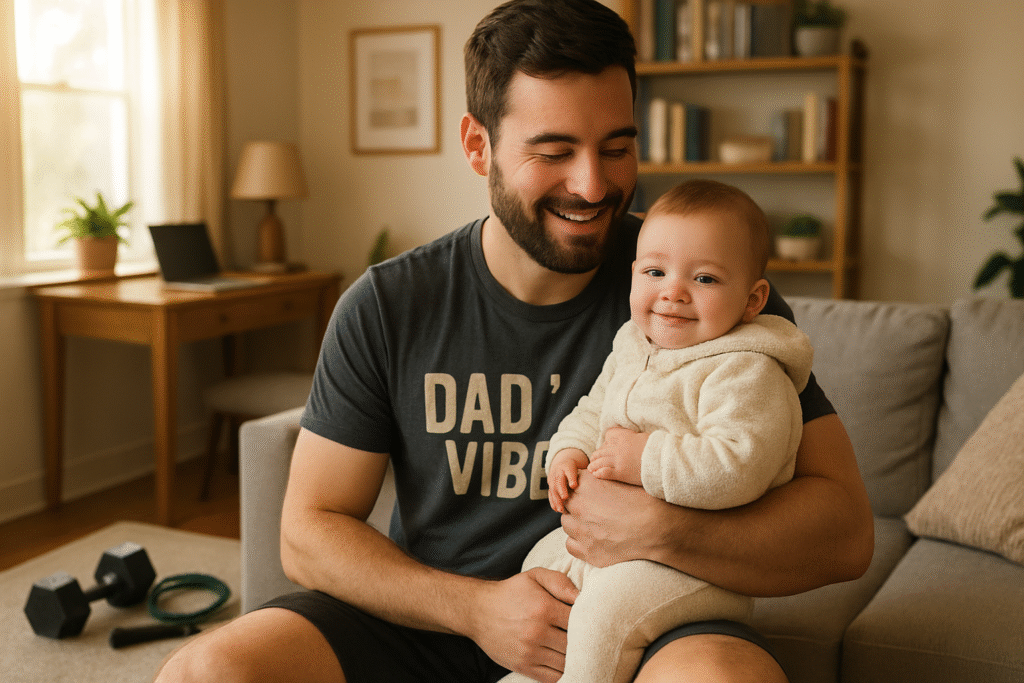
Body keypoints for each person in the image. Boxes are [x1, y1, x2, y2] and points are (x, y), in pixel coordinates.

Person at [154, 1, 873, 682]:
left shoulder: (698, 287)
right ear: (479, 145)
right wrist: (476, 609)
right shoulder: (387, 304)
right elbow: (307, 531)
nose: (593, 184)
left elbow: (845, 532)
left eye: (616, 147)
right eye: (555, 151)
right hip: (428, 621)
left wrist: (659, 529)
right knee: (206, 670)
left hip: (640, 611)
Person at [500, 179, 814, 683]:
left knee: (603, 613)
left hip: (697, 566)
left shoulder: (746, 371)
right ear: (633, 276)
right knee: (540, 570)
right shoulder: (633, 344)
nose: (673, 291)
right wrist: (568, 453)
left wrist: (645, 456)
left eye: (706, 279)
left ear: (754, 299)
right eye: (654, 271)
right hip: (612, 547)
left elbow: (738, 463)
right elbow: (591, 408)